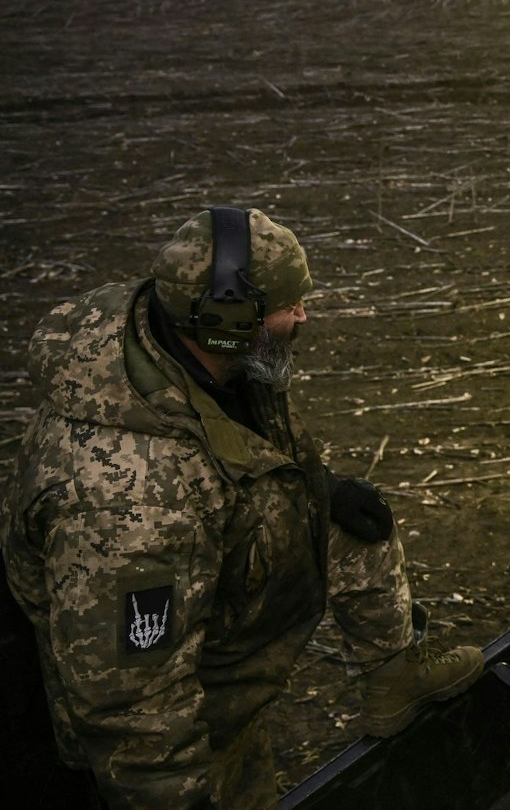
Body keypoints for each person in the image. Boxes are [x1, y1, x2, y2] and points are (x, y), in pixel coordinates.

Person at [1, 207, 485, 809]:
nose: (303, 316)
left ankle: (395, 677)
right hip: (169, 695)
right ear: (228, 321)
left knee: (351, 517)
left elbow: (227, 455)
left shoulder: (193, 347)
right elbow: (132, 704)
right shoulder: (133, 506)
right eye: (289, 306)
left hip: (204, 582)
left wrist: (317, 489)